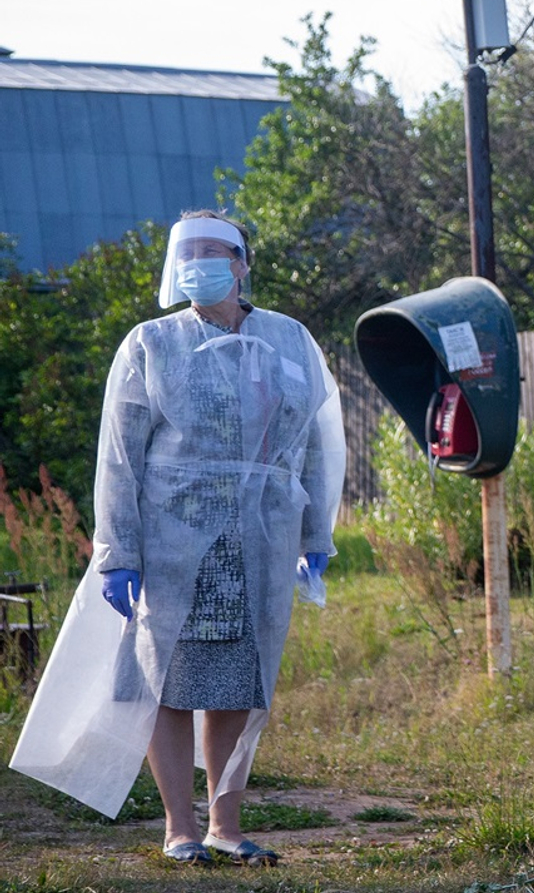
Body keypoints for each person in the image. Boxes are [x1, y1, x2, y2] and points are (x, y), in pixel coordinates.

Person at [9, 211, 345, 866]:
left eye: (211, 251)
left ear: (241, 263)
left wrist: (315, 533)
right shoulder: (151, 343)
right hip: (173, 540)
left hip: (261, 540)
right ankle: (179, 827)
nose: (197, 264)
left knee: (242, 682)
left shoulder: (288, 339)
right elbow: (119, 456)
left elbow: (316, 442)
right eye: (186, 254)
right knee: (165, 682)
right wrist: (118, 553)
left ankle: (226, 824)